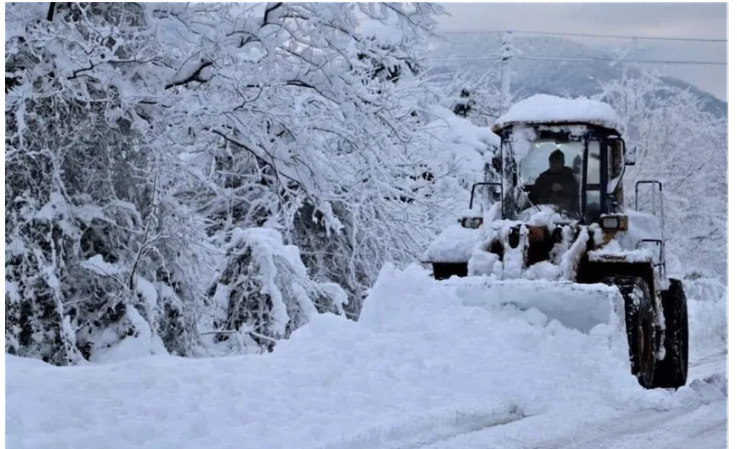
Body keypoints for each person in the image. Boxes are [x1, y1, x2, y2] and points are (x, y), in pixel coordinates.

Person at [528, 149, 579, 214]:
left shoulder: (569, 176)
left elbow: (576, 192)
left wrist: (562, 187)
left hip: (565, 214)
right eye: (552, 162)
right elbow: (532, 197)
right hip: (543, 212)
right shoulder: (542, 178)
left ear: (563, 163)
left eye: (557, 162)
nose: (554, 164)